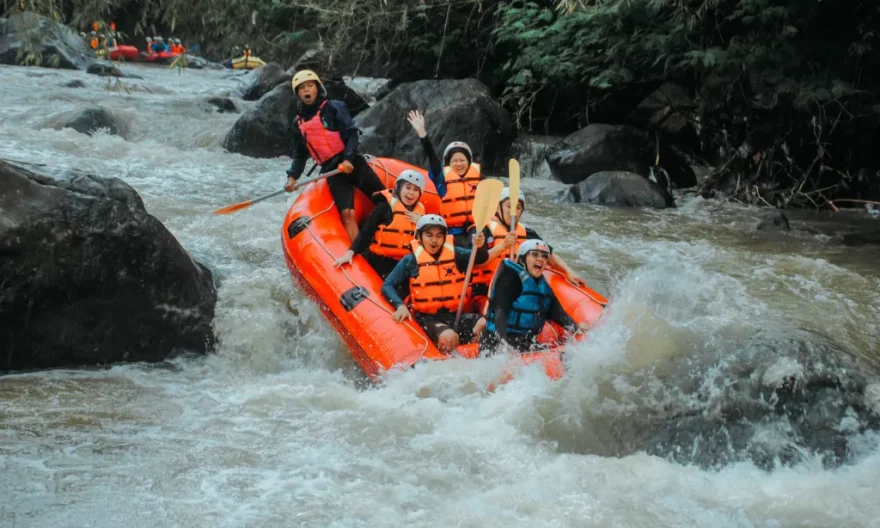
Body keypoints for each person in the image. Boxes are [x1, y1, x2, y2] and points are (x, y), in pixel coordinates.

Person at [285, 69, 385, 241]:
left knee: (383, 199)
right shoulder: (298, 124)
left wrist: (348, 159)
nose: (307, 90)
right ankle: (358, 254)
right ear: (298, 94)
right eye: (302, 88)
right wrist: (292, 177)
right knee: (347, 214)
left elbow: (352, 133)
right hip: (331, 170)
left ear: (317, 88)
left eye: (310, 86)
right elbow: (300, 154)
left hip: (352, 162)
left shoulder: (334, 107)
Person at [381, 215, 489, 351]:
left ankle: (472, 351)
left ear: (444, 237)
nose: (434, 240)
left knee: (485, 324)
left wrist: (479, 247)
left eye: (439, 236)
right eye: (429, 235)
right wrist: (399, 305)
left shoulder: (455, 254)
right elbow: (388, 285)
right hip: (427, 318)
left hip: (455, 314)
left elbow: (480, 258)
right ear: (419, 237)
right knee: (449, 337)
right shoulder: (410, 261)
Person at [470, 187, 586, 297]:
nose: (513, 212)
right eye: (509, 206)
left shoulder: (527, 233)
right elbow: (476, 263)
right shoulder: (481, 231)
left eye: (518, 208)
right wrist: (503, 246)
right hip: (485, 292)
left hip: (517, 290)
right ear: (497, 207)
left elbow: (549, 255)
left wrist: (569, 271)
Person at [480, 240, 589, 354]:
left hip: (525, 342)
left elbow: (557, 314)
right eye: (534, 254)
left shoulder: (542, 286)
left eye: (544, 256)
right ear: (522, 259)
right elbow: (500, 313)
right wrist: (503, 344)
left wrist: (576, 328)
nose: (540, 259)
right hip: (495, 342)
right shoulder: (509, 279)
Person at [406, 110, 482, 245]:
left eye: (462, 160)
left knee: (478, 236)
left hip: (476, 229)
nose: (459, 164)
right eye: (455, 161)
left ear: (469, 162)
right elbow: (433, 158)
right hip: (454, 232)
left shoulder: (479, 179)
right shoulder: (442, 179)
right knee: (462, 248)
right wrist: (423, 134)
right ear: (448, 164)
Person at [334, 169, 426, 279]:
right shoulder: (384, 207)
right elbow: (366, 232)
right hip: (381, 261)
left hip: (405, 264)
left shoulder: (422, 216)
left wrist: (423, 223)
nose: (411, 192)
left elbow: (433, 242)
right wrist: (350, 253)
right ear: (399, 187)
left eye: (416, 190)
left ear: (419, 194)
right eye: (408, 187)